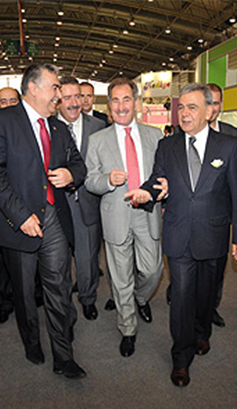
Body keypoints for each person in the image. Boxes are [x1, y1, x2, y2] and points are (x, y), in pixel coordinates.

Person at [132, 83, 237, 387]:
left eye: (192, 107)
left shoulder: (228, 145)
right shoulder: (167, 145)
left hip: (214, 234)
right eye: (181, 107)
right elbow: (157, 179)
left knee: (206, 294)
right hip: (179, 233)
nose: (184, 113)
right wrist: (147, 193)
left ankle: (202, 331)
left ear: (210, 111)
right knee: (182, 297)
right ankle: (181, 358)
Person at [0, 63, 88, 379]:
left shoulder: (58, 128)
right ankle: (31, 343)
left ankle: (63, 356)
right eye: (55, 87)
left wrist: (70, 174)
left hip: (54, 219)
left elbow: (78, 165)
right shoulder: (2, 121)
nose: (59, 94)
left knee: (59, 287)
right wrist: (20, 216)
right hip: (19, 222)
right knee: (25, 293)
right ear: (32, 88)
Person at [84, 77, 166, 358]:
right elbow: (89, 180)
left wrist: (160, 191)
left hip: (147, 213)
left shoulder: (155, 136)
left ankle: (139, 297)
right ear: (109, 106)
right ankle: (128, 328)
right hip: (115, 214)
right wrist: (107, 180)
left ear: (136, 103)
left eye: (126, 99)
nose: (121, 106)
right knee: (120, 278)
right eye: (115, 101)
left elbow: (163, 174)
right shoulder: (97, 140)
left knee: (153, 269)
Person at [56, 76, 106, 320]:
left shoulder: (98, 126)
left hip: (88, 203)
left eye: (78, 96)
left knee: (88, 259)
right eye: (67, 97)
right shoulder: (47, 127)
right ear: (57, 100)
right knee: (58, 262)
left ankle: (88, 298)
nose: (75, 102)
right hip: (57, 206)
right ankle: (63, 305)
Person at [204, 82, 237, 328]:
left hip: (220, 213)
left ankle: (211, 307)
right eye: (207, 102)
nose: (211, 108)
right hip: (192, 212)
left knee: (218, 263)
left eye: (215, 103)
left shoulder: (231, 134)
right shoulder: (184, 131)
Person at [0, 85, 22, 324]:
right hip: (0, 209)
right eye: (4, 101)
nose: (9, 105)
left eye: (13, 101)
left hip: (27, 208)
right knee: (2, 262)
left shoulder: (28, 129)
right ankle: (4, 303)